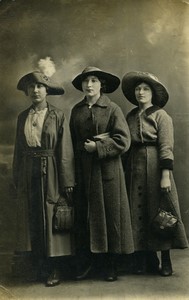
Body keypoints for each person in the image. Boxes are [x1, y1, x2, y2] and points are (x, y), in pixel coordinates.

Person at [70, 66, 134, 282]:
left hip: (108, 172)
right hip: (84, 171)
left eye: (94, 80)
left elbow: (124, 141)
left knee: (111, 216)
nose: (89, 85)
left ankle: (111, 265)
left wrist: (97, 148)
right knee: (87, 216)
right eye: (86, 81)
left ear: (102, 85)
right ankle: (90, 262)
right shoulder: (76, 110)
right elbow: (71, 142)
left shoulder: (112, 108)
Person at [121, 71, 188, 276]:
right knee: (137, 213)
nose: (141, 92)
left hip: (155, 168)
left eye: (145, 89)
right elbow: (122, 139)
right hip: (134, 167)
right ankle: (145, 259)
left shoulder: (161, 115)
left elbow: (166, 147)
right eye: (138, 89)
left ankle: (165, 259)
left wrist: (165, 174)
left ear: (152, 93)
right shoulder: (131, 116)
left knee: (159, 212)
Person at [13, 70, 75, 286]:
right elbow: (18, 150)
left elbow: (65, 151)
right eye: (32, 87)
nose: (35, 90)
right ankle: (38, 266)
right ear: (27, 91)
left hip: (51, 170)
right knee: (33, 217)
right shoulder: (23, 117)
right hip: (28, 170)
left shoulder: (58, 115)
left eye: (40, 86)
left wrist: (67, 182)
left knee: (51, 216)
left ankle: (54, 268)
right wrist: (17, 178)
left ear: (47, 90)